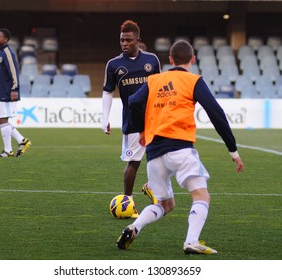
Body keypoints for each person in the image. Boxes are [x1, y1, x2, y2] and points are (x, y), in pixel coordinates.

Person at [116, 40, 244, 254]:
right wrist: (233, 149)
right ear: (192, 59)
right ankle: (191, 241)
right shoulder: (193, 80)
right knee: (201, 196)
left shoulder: (154, 80)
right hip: (180, 149)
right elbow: (216, 112)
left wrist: (142, 130)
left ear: (170, 60)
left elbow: (134, 101)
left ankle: (134, 226)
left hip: (154, 153)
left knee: (166, 204)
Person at [102, 20, 161, 217]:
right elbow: (107, 92)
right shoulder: (114, 64)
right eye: (122, 40)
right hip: (133, 122)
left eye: (129, 40)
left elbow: (159, 90)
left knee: (162, 156)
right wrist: (105, 118)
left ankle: (151, 186)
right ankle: (128, 202)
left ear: (138, 40)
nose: (124, 43)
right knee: (134, 162)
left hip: (154, 120)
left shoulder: (152, 61)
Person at [0, 28, 31, 158]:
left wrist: (15, 89)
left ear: (6, 39)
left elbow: (14, 71)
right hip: (1, 92)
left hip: (8, 93)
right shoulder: (0, 53)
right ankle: (21, 141)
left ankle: (8, 150)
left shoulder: (7, 53)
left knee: (2, 119)